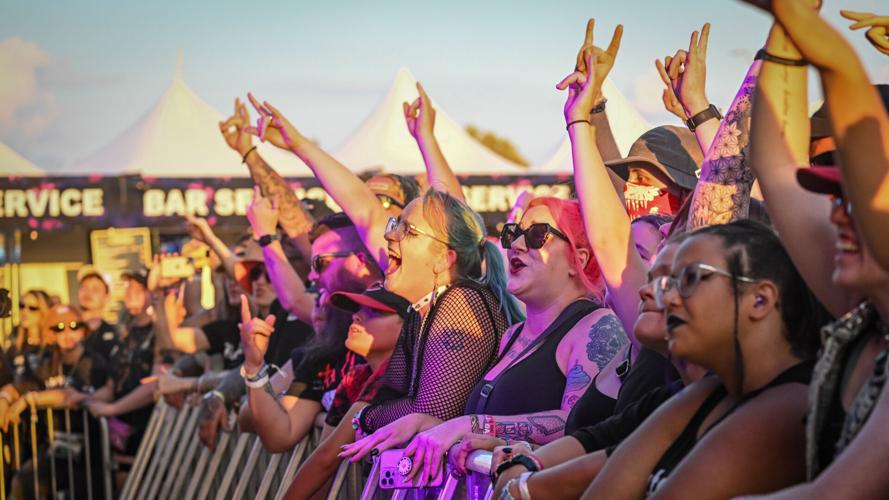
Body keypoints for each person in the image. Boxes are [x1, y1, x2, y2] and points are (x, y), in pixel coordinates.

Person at [344, 196, 625, 485]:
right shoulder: (511, 336)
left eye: (537, 234)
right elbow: (493, 431)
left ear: (577, 260)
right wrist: (429, 425)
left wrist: (469, 423)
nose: (516, 244)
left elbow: (579, 424)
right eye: (513, 233)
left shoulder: (597, 325)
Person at [577, 220, 825, 498]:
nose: (668, 299)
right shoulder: (709, 393)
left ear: (760, 300)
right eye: (665, 286)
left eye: (689, 279)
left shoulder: (789, 406)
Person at [339, 189, 522, 462]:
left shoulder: (461, 301)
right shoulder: (422, 309)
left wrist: (362, 417)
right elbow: (390, 395)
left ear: (444, 259)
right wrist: (368, 415)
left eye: (409, 230)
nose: (390, 234)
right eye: (395, 223)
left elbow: (431, 412)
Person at [237, 213, 383, 451]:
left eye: (320, 263)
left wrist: (326, 421)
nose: (311, 276)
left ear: (358, 261)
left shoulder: (399, 334)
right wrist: (254, 369)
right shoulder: (322, 350)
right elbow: (280, 437)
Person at [239, 94, 420, 270]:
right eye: (364, 196)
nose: (360, 204)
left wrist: (300, 145)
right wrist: (250, 153)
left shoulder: (413, 273)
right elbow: (295, 221)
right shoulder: (334, 258)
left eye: (381, 201)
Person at [280, 285, 410, 499]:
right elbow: (324, 461)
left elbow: (326, 459)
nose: (357, 317)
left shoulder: (395, 372)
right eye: (357, 310)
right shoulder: (357, 377)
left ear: (407, 326)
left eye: (375, 312)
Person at [6, 305, 113, 499]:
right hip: (56, 447)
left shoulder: (94, 362)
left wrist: (30, 399)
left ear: (83, 330)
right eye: (58, 328)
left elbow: (70, 395)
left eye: (73, 326)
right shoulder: (46, 361)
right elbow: (18, 386)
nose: (66, 333)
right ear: (51, 334)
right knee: (24, 483)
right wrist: (4, 400)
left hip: (88, 450)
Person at [76, 265, 119, 362]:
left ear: (107, 296)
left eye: (95, 289)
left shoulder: (115, 334)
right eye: (84, 287)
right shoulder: (68, 328)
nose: (88, 293)